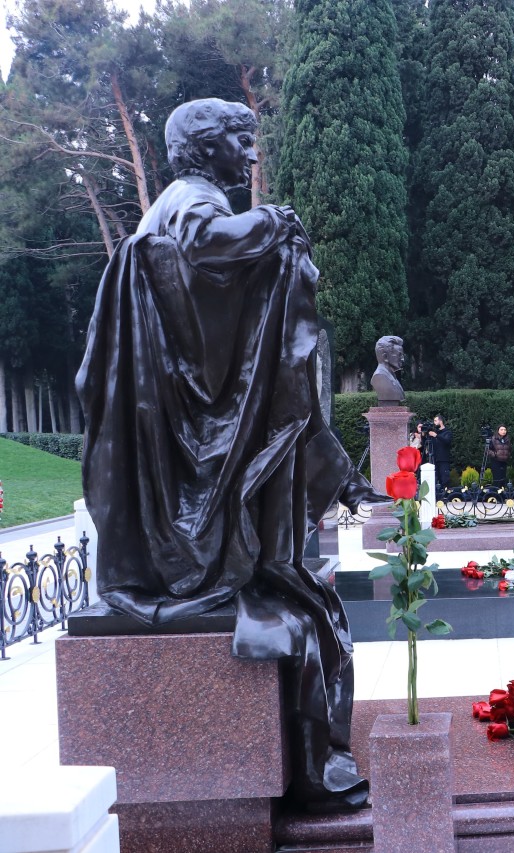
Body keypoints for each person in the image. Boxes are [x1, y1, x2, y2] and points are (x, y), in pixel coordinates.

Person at [76, 99, 371, 809]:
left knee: (302, 604)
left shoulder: (187, 199)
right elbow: (212, 249)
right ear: (207, 149)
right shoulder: (189, 202)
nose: (253, 155)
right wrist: (275, 223)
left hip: (181, 439)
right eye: (243, 141)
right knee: (296, 608)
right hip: (184, 460)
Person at [370, 335, 405, 405]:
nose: (402, 359)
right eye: (399, 355)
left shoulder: (392, 376)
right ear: (385, 357)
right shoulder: (379, 376)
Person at [426, 415, 453, 494]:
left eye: (435, 421)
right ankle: (437, 494)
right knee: (436, 478)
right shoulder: (435, 433)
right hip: (435, 459)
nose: (434, 423)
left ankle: (446, 495)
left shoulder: (447, 432)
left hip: (444, 459)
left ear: (440, 421)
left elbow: (447, 441)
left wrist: (436, 436)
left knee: (444, 478)